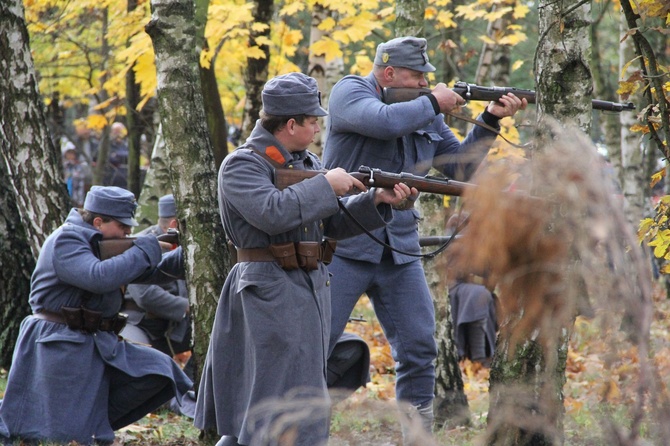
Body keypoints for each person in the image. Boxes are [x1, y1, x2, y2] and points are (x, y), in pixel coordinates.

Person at [322, 36, 527, 441]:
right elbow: (384, 121)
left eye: (426, 79)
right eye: (417, 76)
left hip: (398, 249)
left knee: (419, 349)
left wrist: (489, 119)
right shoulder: (351, 91)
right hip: (343, 244)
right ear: (389, 72)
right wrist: (434, 102)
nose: (424, 83)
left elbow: (462, 168)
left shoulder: (423, 110)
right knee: (315, 346)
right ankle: (300, 432)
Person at [193, 72, 413, 446]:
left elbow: (332, 223)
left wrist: (376, 201)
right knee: (267, 397)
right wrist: (326, 185)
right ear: (291, 123)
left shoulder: (305, 162)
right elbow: (271, 212)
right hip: (266, 287)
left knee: (300, 394)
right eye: (312, 121)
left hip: (307, 286)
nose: (317, 128)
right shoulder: (242, 165)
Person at [0, 186, 193, 445]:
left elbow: (153, 271)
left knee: (161, 372)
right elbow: (99, 277)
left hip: (95, 341)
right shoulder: (66, 240)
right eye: (123, 227)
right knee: (56, 436)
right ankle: (82, 426)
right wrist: (143, 249)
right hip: (58, 343)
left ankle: (92, 422)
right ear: (99, 222)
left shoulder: (102, 243)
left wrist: (191, 249)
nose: (127, 233)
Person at [120, 193, 196, 418]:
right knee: (136, 359)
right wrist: (186, 307)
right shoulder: (142, 243)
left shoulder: (188, 244)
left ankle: (190, 390)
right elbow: (145, 295)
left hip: (174, 326)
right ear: (174, 224)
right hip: (141, 323)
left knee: (214, 334)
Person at [61, 139, 92, 207]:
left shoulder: (78, 167)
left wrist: (80, 201)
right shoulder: (61, 167)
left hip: (75, 198)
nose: (71, 155)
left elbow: (80, 185)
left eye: (72, 153)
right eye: (69, 153)